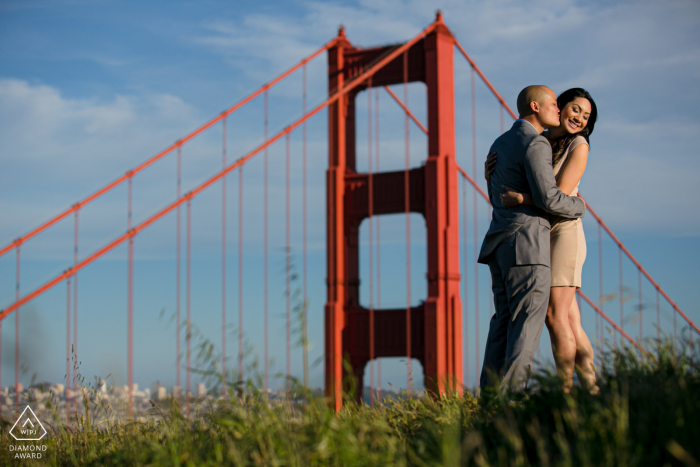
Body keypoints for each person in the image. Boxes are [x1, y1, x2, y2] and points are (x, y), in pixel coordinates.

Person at [485, 88, 598, 392]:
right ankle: (591, 387)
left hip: (563, 230)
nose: (579, 118)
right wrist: (492, 177)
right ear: (559, 107)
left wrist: (521, 197)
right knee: (570, 319)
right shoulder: (541, 141)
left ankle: (565, 391)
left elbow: (556, 197)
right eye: (574, 109)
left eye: (586, 116)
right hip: (540, 231)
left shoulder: (577, 144)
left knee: (554, 314)